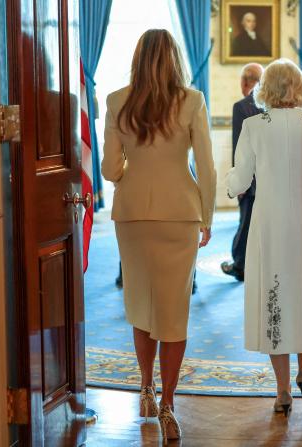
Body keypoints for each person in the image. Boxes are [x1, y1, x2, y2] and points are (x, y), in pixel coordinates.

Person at [101, 29, 216, 442]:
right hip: (179, 216)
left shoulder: (118, 100)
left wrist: (135, 173)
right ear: (174, 60)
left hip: (131, 215)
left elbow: (111, 170)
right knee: (173, 309)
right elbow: (206, 165)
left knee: (140, 302)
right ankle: (168, 404)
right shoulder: (192, 100)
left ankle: (145, 388)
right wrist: (207, 215)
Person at [226, 59, 302, 417]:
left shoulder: (253, 126)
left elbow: (240, 181)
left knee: (274, 297)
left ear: (265, 89)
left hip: (271, 224)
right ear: (300, 88)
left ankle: (281, 393)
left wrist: (224, 185)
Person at [221, 63, 264, 281]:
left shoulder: (242, 106)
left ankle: (240, 265)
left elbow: (239, 146)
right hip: (269, 177)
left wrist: (238, 182)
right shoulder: (271, 104)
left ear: (246, 82)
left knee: (245, 222)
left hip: (251, 178)